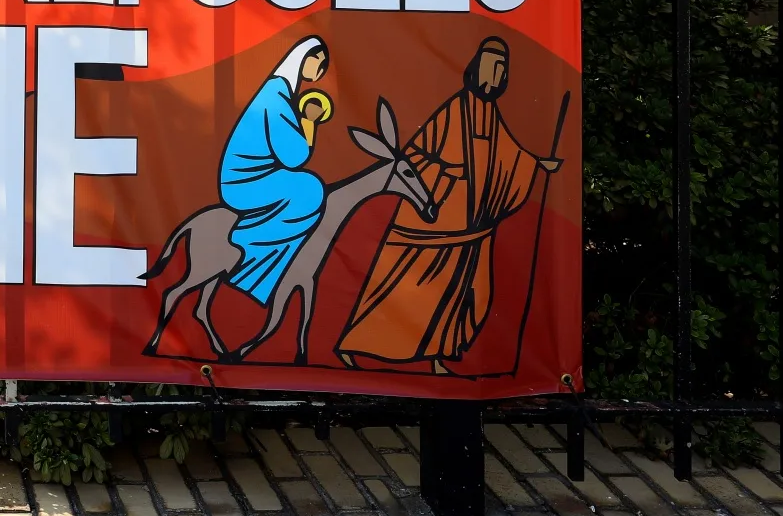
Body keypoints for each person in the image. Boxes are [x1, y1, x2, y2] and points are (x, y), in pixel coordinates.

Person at [335, 37, 563, 372]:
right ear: (475, 69)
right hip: (435, 222)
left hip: (474, 227)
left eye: (501, 69)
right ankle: (353, 345)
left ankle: (441, 353)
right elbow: (414, 156)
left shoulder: (490, 112)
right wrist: (447, 171)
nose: (494, 75)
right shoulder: (455, 109)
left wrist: (537, 164)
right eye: (489, 66)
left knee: (469, 294)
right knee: (400, 289)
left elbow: (509, 154)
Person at [218, 37, 331, 304]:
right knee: (309, 188)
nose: (321, 70)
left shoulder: (280, 93)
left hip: (257, 177)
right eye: (320, 62)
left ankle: (259, 265)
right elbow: (294, 156)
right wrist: (309, 122)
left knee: (308, 188)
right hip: (244, 182)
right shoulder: (275, 96)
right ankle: (248, 253)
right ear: (305, 58)